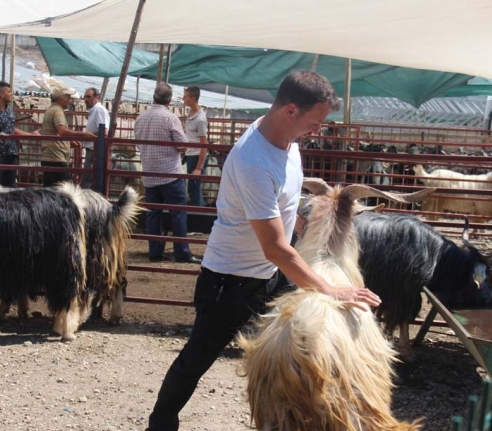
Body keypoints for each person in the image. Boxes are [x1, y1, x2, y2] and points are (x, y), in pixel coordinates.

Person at [145, 71, 381, 431]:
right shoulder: (253, 160)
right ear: (290, 111)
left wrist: (311, 232)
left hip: (268, 276)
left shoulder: (287, 140)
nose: (318, 130)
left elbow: (283, 212)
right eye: (315, 122)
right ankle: (160, 425)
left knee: (297, 348)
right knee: (197, 358)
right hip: (231, 281)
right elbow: (275, 248)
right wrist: (331, 288)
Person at [135, 82, 201, 264]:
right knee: (178, 213)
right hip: (170, 173)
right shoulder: (170, 118)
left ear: (154, 97)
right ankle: (182, 252)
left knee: (153, 214)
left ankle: (155, 253)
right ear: (169, 100)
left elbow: (138, 145)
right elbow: (182, 145)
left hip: (149, 174)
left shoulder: (140, 118)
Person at [40, 86, 96, 187]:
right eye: (69, 97)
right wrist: (84, 134)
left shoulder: (51, 109)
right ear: (62, 99)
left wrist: (69, 142)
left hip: (49, 155)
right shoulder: (57, 111)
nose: (70, 100)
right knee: (68, 189)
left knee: (51, 189)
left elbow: (55, 132)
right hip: (56, 157)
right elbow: (61, 131)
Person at [181, 86, 208, 206]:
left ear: (192, 99)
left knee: (194, 190)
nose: (183, 99)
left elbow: (204, 144)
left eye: (185, 97)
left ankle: (200, 215)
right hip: (190, 154)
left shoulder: (200, 119)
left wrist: (198, 168)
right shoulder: (190, 113)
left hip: (196, 156)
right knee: (193, 189)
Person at [81, 87, 110, 188]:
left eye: (88, 97)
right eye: (85, 97)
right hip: (92, 150)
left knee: (88, 182)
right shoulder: (94, 110)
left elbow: (104, 132)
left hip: (95, 150)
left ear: (97, 98)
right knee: (89, 180)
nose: (85, 99)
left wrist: (87, 135)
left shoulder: (99, 110)